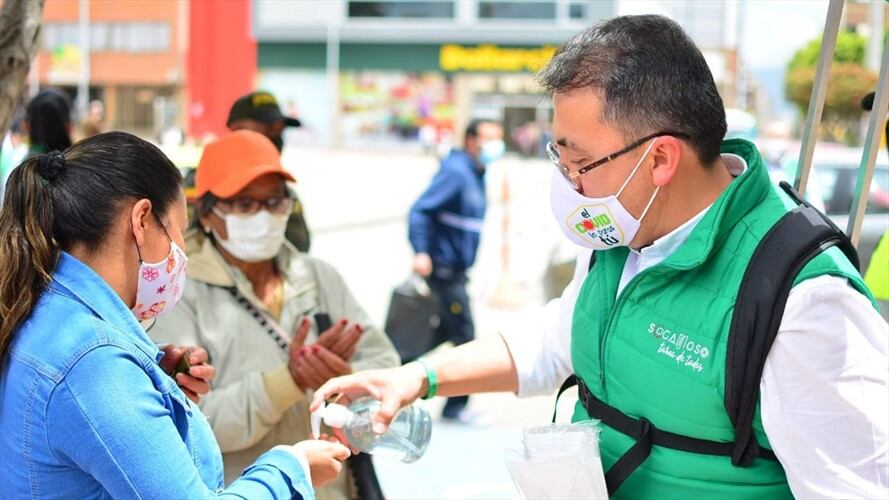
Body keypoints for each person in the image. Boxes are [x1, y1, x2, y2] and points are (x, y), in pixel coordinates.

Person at [313, 15, 889, 499]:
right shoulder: (620, 237)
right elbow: (559, 338)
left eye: (580, 164)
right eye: (558, 159)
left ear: (661, 159)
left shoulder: (804, 303)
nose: (569, 186)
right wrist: (417, 377)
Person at [0, 131, 350, 498]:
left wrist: (151, 381)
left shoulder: (50, 313)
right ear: (142, 221)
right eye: (179, 231)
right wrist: (291, 469)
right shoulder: (94, 363)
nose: (181, 250)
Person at [149, 130, 400, 498]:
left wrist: (348, 381)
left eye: (274, 201)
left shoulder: (316, 276)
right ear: (206, 211)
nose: (263, 215)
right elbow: (192, 421)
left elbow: (385, 364)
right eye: (245, 204)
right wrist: (288, 382)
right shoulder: (180, 292)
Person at [407, 118, 504, 423]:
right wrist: (421, 251)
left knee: (441, 332)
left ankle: (392, 367)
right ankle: (455, 407)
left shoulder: (476, 172)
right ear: (471, 140)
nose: (495, 146)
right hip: (444, 269)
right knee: (465, 335)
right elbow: (420, 210)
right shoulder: (456, 172)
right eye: (489, 139)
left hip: (458, 269)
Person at [227, 90, 311, 253]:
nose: (276, 137)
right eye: (269, 129)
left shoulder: (286, 196)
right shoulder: (202, 186)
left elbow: (298, 252)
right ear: (237, 130)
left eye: (280, 130)